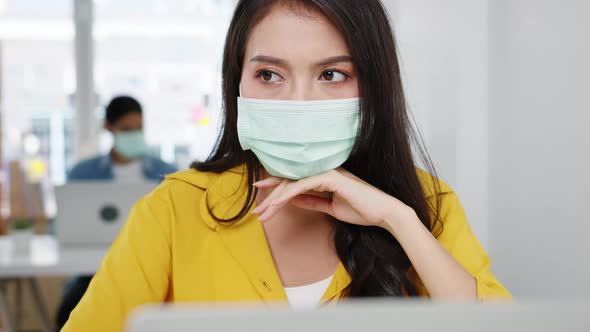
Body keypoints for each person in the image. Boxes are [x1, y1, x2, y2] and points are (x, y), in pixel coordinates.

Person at [62, 1, 510, 330]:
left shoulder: (428, 204)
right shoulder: (173, 210)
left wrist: (398, 219)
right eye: (269, 75)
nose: (298, 102)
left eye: (332, 74)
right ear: (236, 82)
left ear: (374, 86)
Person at [56, 95, 177, 330]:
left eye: (139, 128)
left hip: (152, 266)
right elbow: (64, 226)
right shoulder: (83, 173)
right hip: (93, 271)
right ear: (108, 128)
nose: (134, 135)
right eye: (126, 129)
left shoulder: (167, 173)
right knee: (71, 310)